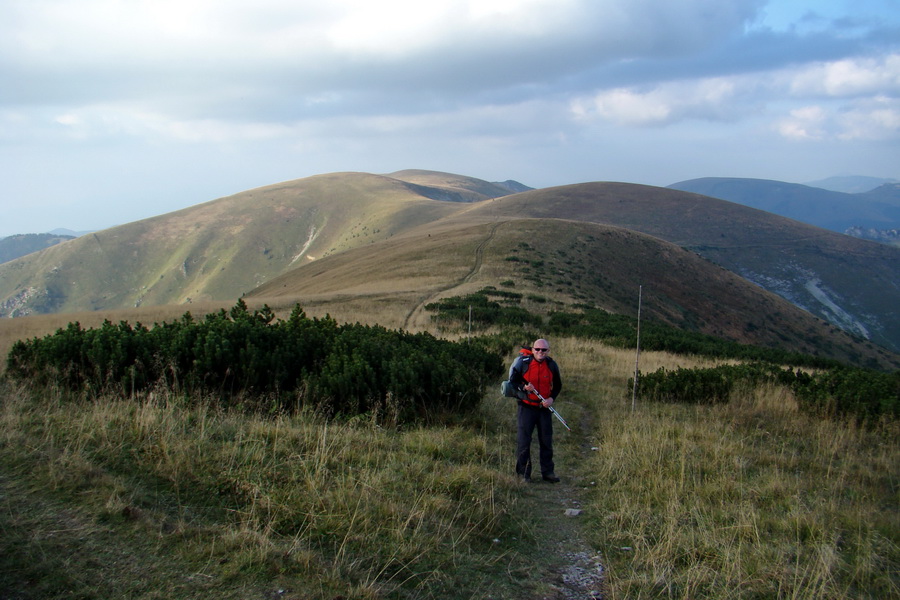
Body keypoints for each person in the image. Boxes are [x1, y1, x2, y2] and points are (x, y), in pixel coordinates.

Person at [507, 338, 562, 483]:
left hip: (544, 408)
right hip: (526, 407)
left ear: (548, 351)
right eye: (537, 349)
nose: (540, 352)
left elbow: (557, 386)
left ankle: (548, 472)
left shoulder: (551, 365)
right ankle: (523, 474)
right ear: (532, 350)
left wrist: (551, 399)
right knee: (524, 441)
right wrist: (524, 388)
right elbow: (513, 382)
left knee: (546, 440)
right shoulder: (523, 364)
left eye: (544, 350)